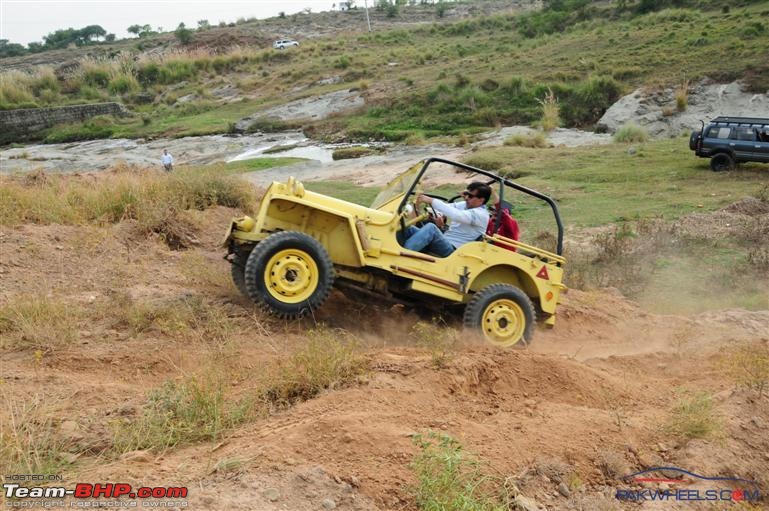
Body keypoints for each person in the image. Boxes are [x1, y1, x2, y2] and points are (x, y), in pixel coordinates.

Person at [400, 181, 491, 257]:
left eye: (470, 196)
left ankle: (403, 255)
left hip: (454, 251)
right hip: (445, 240)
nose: (466, 198)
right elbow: (445, 208)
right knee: (407, 228)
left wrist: (431, 201)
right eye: (466, 194)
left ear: (481, 200)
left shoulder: (481, 214)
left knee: (431, 228)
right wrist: (420, 204)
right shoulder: (464, 205)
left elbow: (456, 215)